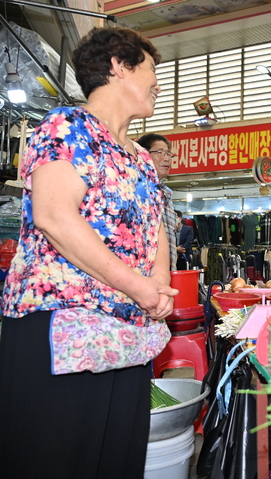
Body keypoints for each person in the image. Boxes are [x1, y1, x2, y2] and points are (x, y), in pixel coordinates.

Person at [0, 27, 177, 478]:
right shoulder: (67, 126)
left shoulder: (138, 156)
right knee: (58, 460)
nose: (159, 80)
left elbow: (156, 228)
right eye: (151, 68)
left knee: (117, 460)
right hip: (65, 330)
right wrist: (140, 287)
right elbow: (55, 217)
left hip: (127, 336)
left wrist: (159, 285)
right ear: (119, 65)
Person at [138, 132, 178, 270]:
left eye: (168, 154)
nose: (166, 158)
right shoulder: (137, 191)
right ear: (143, 155)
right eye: (159, 152)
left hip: (166, 275)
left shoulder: (166, 195)